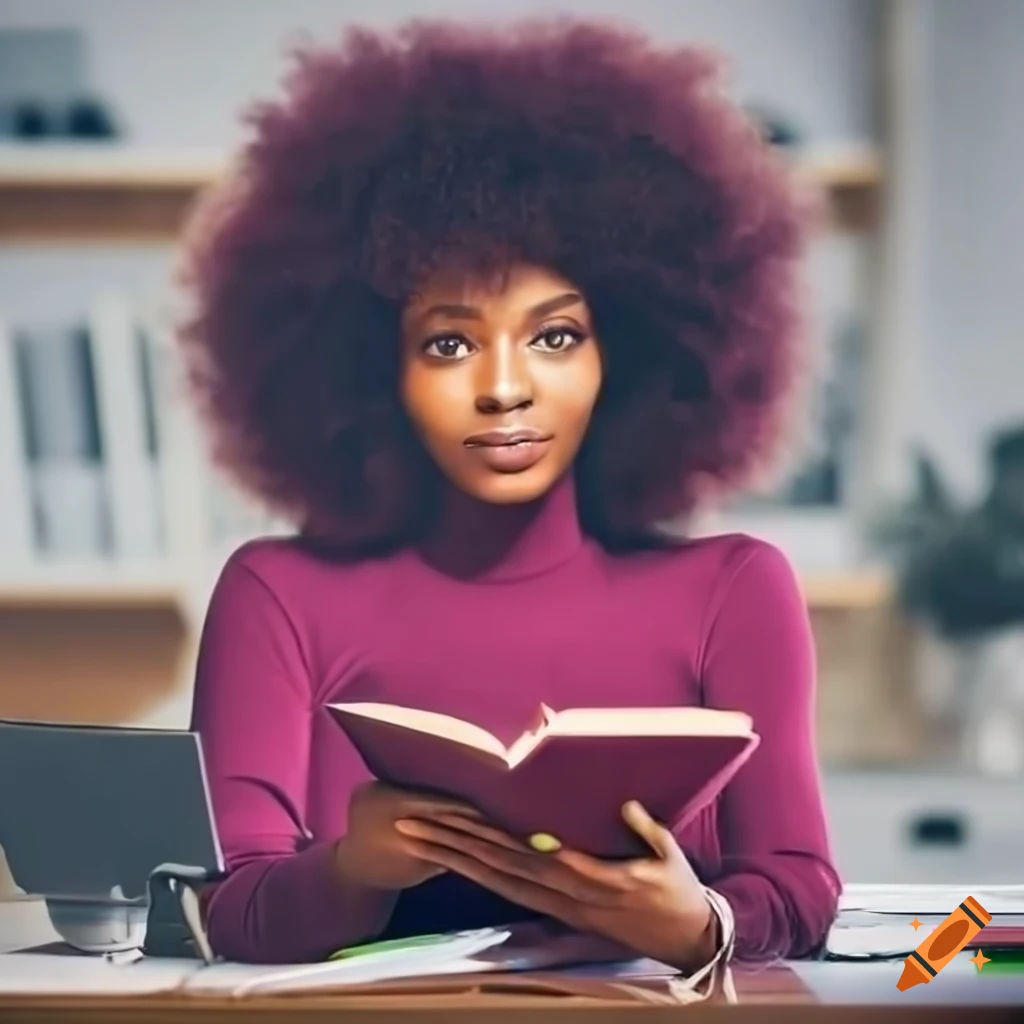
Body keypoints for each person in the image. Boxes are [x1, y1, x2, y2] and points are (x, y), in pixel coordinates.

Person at [178, 17, 841, 968]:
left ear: (636, 352)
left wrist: (698, 925)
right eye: (449, 342)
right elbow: (230, 909)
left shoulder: (734, 590)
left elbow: (801, 886)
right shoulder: (278, 594)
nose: (504, 386)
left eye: (555, 336)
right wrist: (355, 869)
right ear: (373, 368)